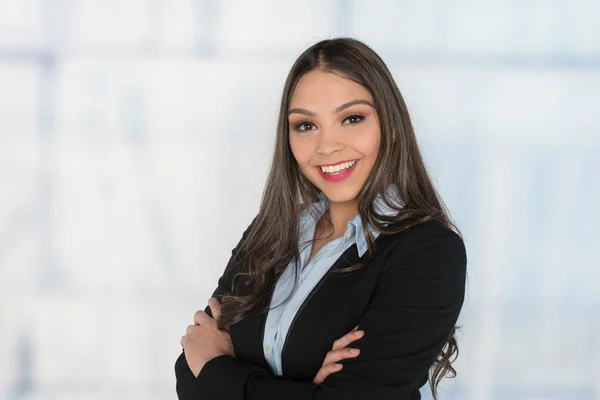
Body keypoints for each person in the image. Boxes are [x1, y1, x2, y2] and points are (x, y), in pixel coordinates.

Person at [174, 37, 467, 400]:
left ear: (389, 125)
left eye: (352, 118)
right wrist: (308, 388)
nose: (327, 146)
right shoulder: (272, 232)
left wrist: (218, 366)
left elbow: (205, 368)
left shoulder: (428, 252)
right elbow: (188, 370)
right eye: (306, 126)